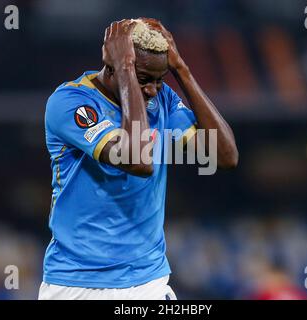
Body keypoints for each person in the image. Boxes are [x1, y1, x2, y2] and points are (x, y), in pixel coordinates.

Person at [39, 18, 238, 300]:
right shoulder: (72, 102)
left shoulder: (163, 100)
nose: (153, 91)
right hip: (77, 283)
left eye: (160, 80)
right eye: (144, 79)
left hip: (148, 282)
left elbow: (224, 155)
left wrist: (182, 70)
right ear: (113, 66)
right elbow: (137, 160)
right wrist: (125, 71)